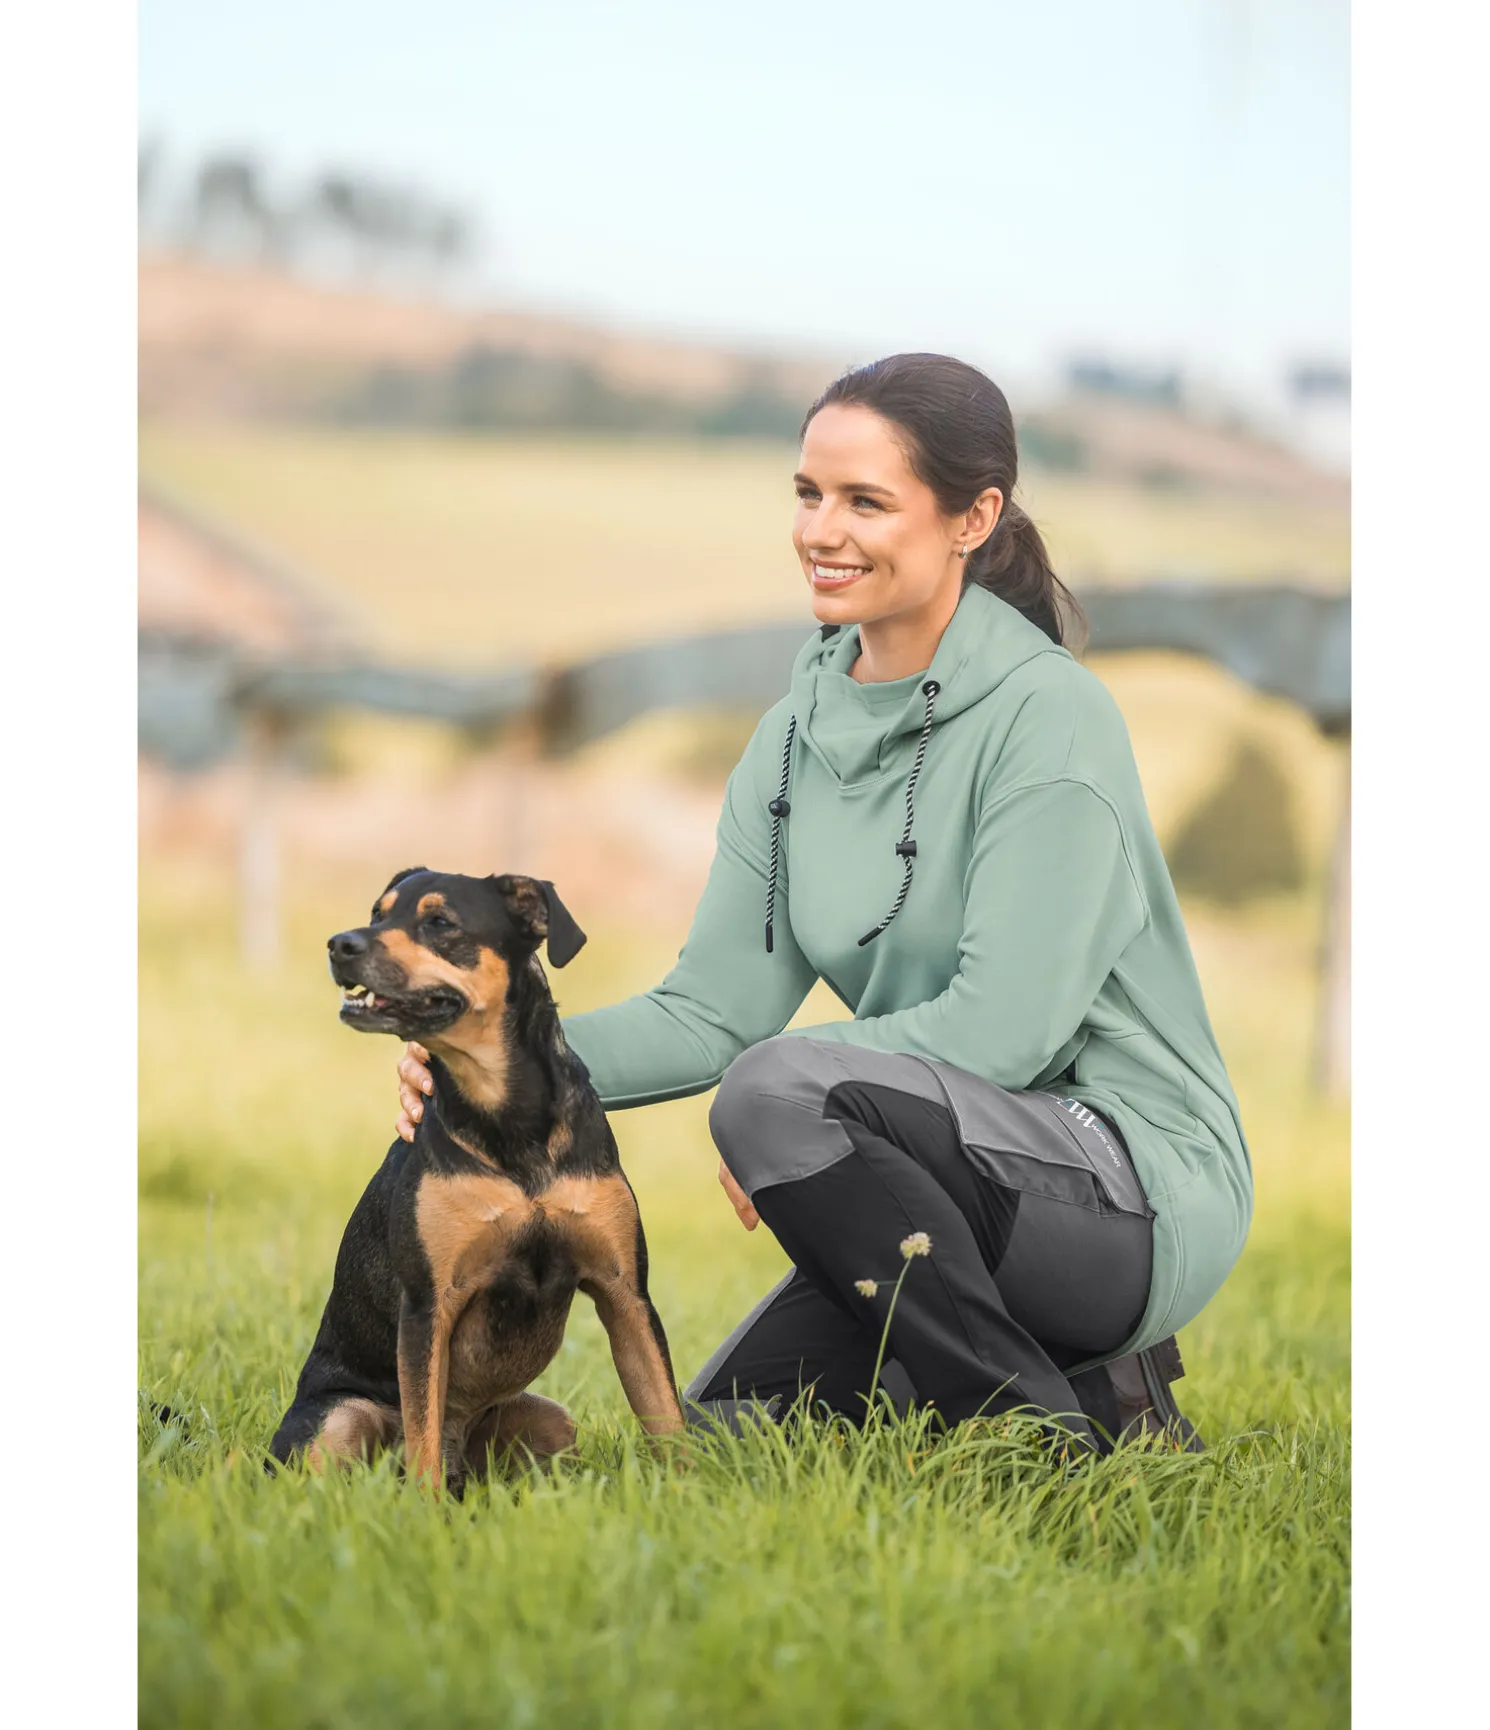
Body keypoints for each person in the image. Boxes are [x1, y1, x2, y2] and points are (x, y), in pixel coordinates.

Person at [395, 353, 1252, 1453]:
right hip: (947, 1177)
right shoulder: (789, 742)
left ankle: (1037, 1437)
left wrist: (801, 1094)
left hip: (1127, 1186)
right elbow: (709, 1009)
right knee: (733, 1432)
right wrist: (490, 1051)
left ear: (971, 517)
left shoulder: (1050, 717)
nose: (821, 529)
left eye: (864, 500)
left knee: (773, 1091)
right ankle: (1103, 1390)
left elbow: (1010, 1026)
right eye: (807, 493)